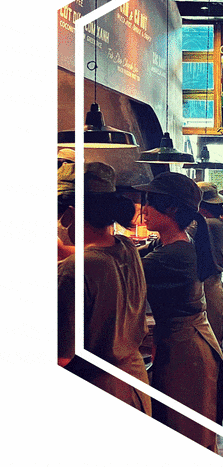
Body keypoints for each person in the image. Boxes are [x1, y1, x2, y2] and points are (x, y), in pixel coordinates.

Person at [134, 172, 223, 452]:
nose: (144, 209)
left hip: (188, 352)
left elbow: (122, 268)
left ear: (172, 208)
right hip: (184, 344)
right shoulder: (171, 243)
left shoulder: (174, 254)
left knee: (187, 434)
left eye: (151, 202)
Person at [57, 162, 152, 415]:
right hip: (134, 383)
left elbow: (62, 358)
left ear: (70, 214)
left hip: (97, 387)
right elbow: (95, 257)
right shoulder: (126, 248)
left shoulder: (75, 269)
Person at [197, 182, 223, 345]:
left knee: (210, 340)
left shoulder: (208, 224)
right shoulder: (221, 222)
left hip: (208, 287)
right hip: (214, 285)